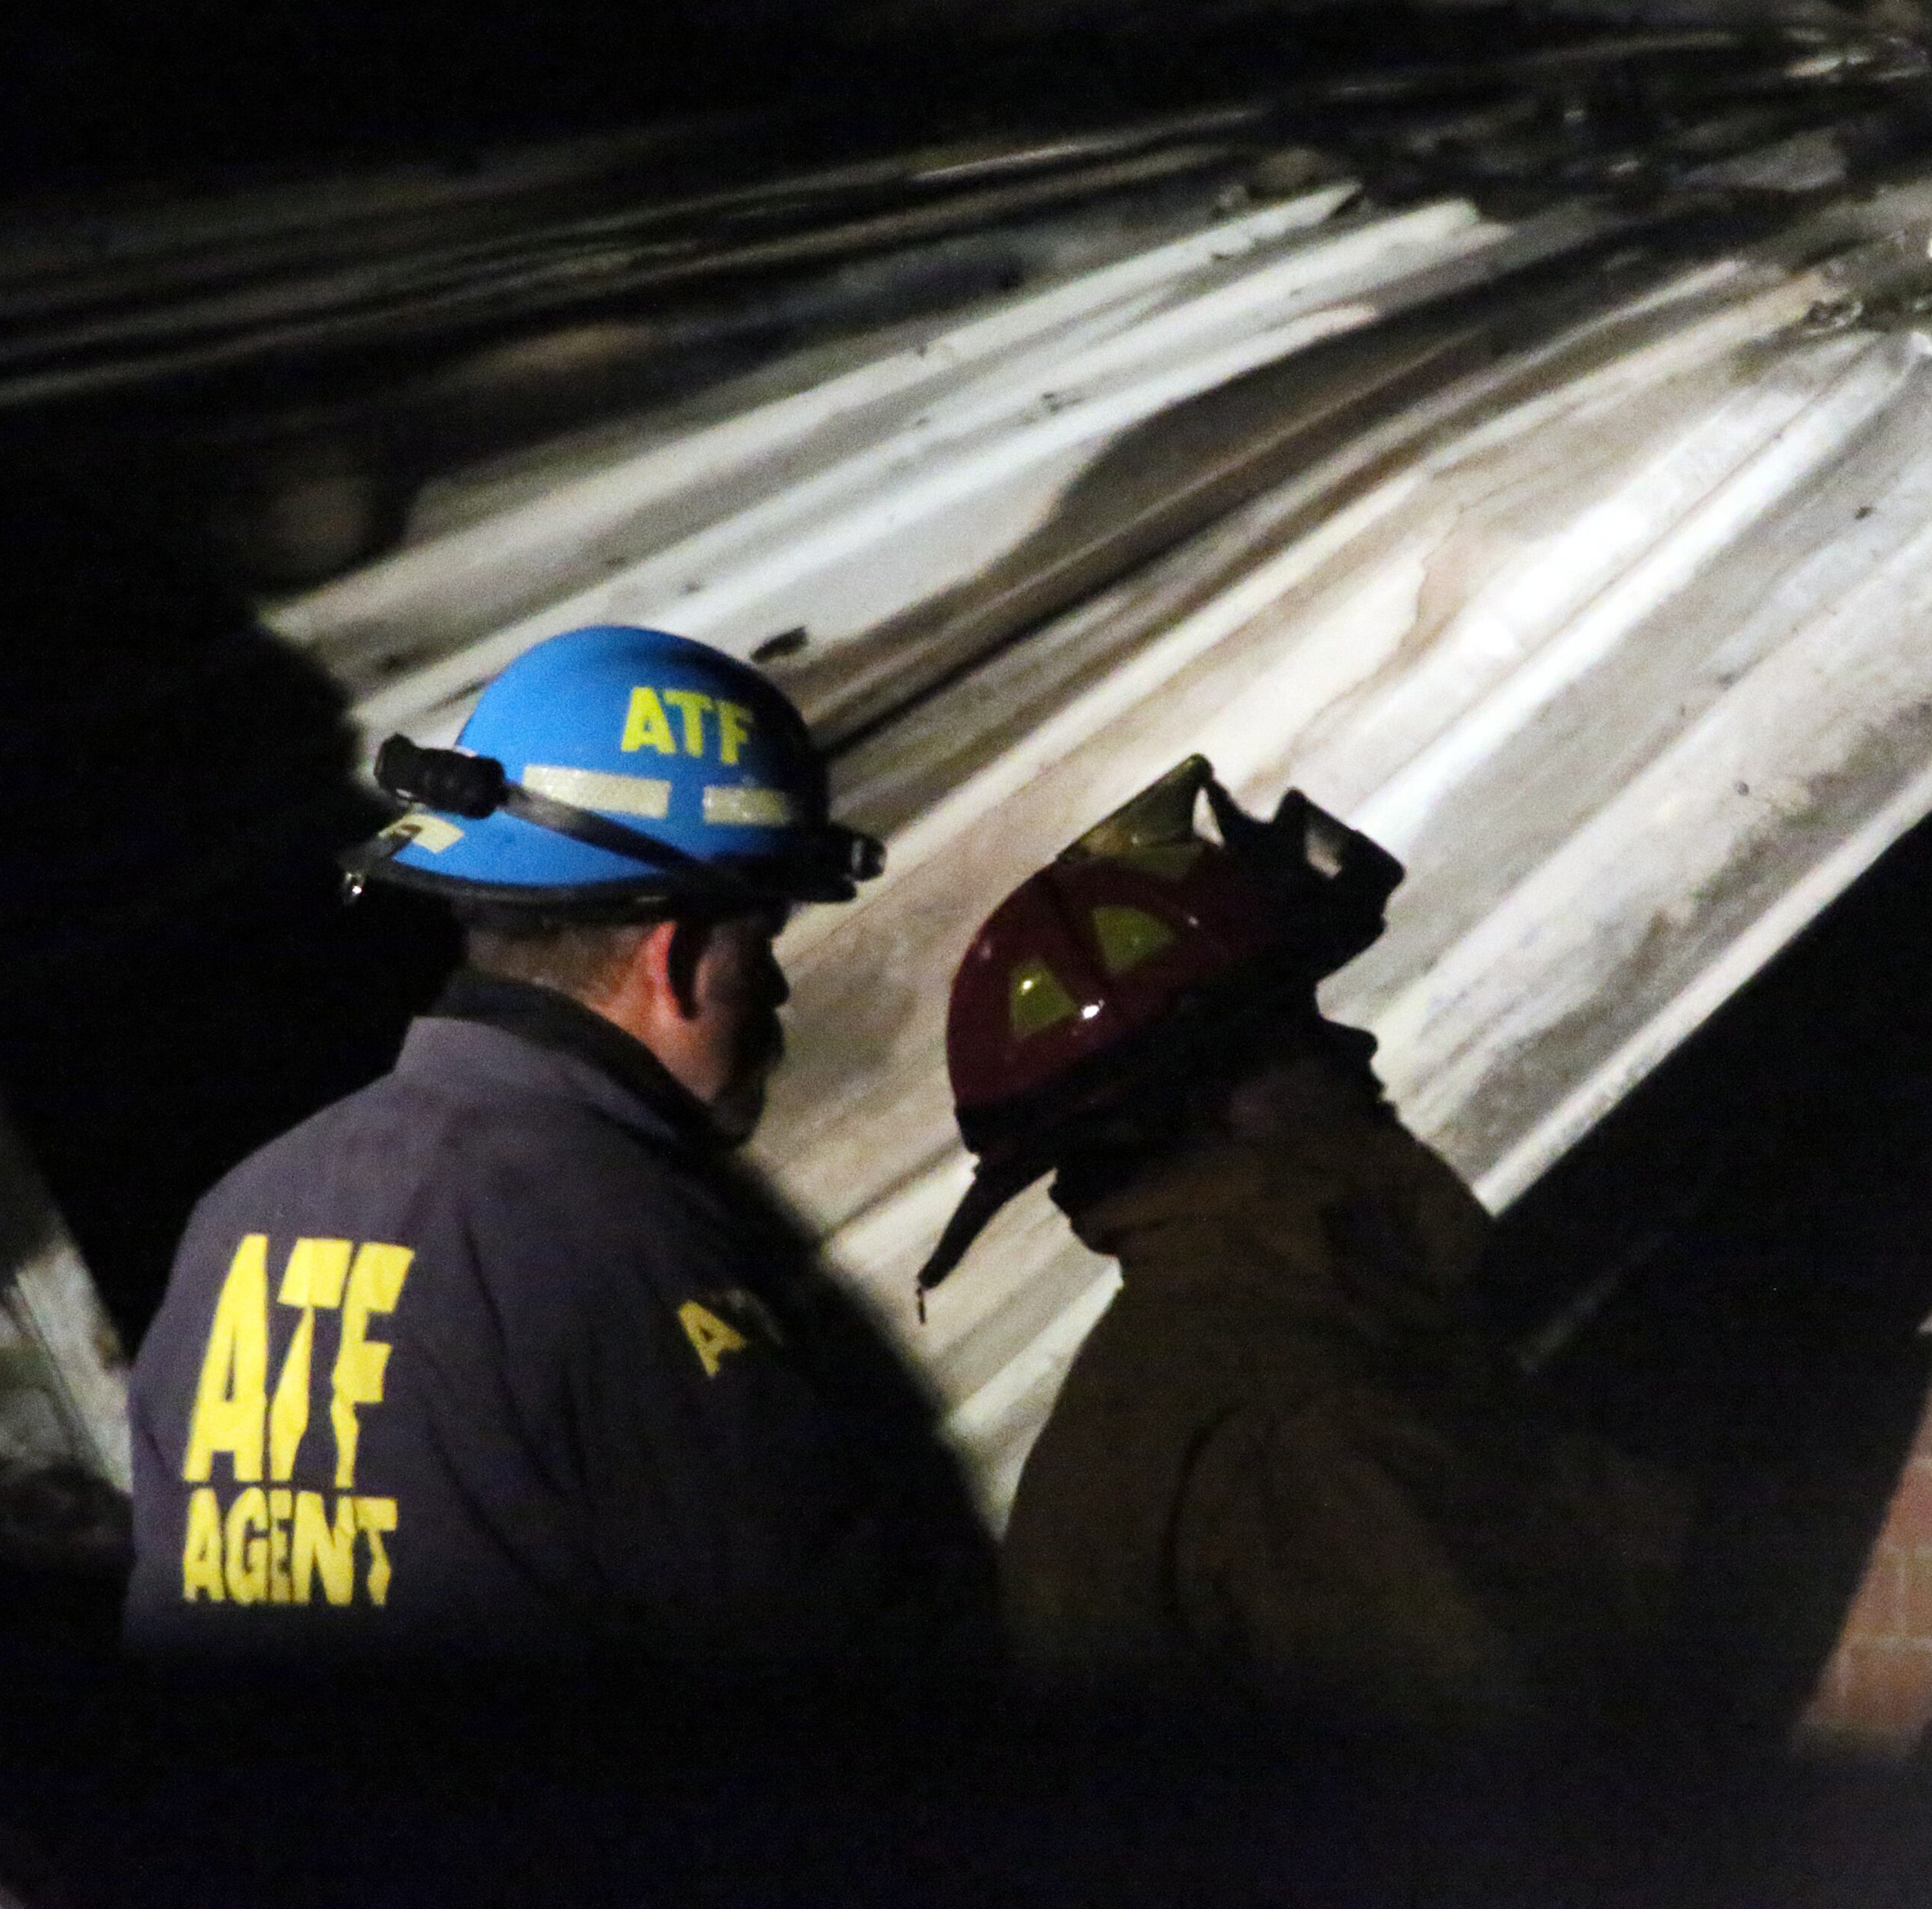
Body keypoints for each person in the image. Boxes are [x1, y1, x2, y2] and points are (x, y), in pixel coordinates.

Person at [122, 624, 993, 1671]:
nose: (777, 992)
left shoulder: (242, 1217)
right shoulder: (631, 1239)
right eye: (763, 943)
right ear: (675, 961)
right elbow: (843, 1667)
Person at [918, 756, 1685, 1731]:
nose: (1352, 1050)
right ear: (1208, 1102)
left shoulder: (1235, 1335)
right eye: (1294, 1028)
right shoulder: (1297, 1418)